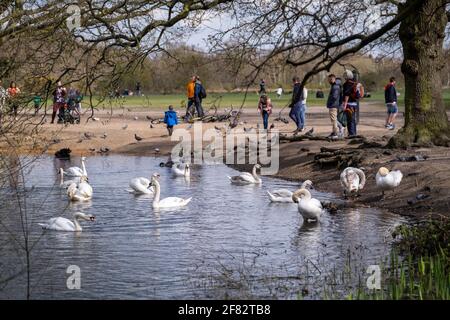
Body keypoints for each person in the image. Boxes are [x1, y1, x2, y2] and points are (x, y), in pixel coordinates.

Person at [342, 70, 360, 137]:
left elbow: (347, 95)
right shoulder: (354, 83)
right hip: (354, 104)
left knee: (350, 120)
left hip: (349, 104)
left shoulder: (347, 84)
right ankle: (353, 133)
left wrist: (345, 104)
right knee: (353, 119)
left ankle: (351, 134)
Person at [326, 74, 341, 139]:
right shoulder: (334, 85)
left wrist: (330, 101)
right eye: (329, 79)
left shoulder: (335, 86)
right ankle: (334, 132)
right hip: (333, 105)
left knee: (334, 119)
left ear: (334, 79)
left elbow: (335, 96)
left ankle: (336, 133)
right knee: (334, 119)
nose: (329, 81)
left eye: (330, 79)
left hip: (333, 105)